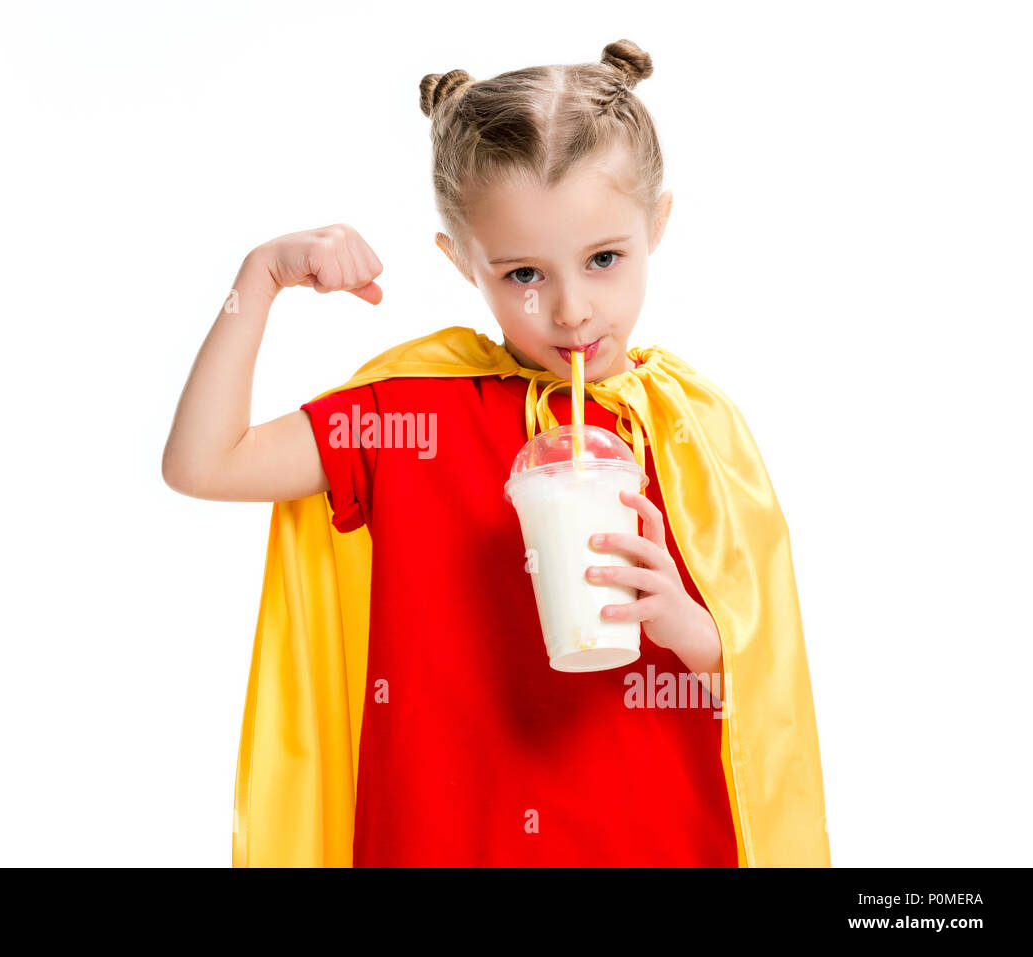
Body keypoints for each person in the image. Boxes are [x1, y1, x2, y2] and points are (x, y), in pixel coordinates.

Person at [161, 39, 829, 867]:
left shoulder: (696, 433)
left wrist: (690, 627)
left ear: (658, 222)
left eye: (604, 259)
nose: (572, 310)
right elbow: (206, 462)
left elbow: (767, 707)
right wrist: (256, 280)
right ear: (461, 259)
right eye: (522, 274)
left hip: (657, 837)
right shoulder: (412, 414)